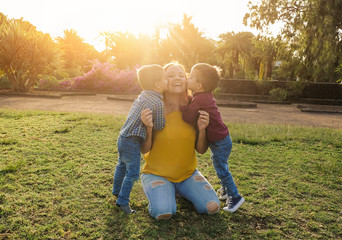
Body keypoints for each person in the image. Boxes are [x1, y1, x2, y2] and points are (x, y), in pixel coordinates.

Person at [140, 63, 220, 220]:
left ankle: (179, 190)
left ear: (187, 81)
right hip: (157, 174)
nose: (177, 78)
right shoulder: (154, 107)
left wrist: (202, 129)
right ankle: (162, 191)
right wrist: (148, 128)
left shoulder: (195, 107)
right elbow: (144, 149)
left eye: (181, 75)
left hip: (187, 175)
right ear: (162, 81)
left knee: (212, 207)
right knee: (164, 212)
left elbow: (201, 149)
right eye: (170, 75)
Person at [180, 63, 244, 213]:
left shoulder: (200, 99)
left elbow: (188, 117)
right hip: (222, 139)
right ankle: (226, 190)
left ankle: (235, 196)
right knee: (221, 166)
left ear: (198, 85)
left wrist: (181, 105)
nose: (187, 79)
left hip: (220, 142)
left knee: (221, 169)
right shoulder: (203, 96)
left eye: (190, 77)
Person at [112, 64, 168, 214]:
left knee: (121, 166)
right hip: (132, 142)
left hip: (123, 137)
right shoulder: (158, 102)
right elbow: (160, 125)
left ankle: (116, 191)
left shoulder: (143, 95)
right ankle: (123, 201)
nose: (167, 81)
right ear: (157, 84)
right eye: (165, 78)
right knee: (133, 173)